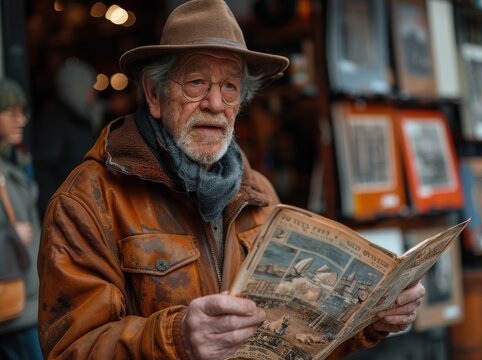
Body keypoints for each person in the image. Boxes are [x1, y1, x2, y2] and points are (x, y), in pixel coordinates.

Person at [37, 1, 425, 359]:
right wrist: (177, 339)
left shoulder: (257, 194)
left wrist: (371, 320)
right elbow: (71, 349)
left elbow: (299, 339)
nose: (215, 104)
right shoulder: (89, 200)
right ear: (154, 95)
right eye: (196, 83)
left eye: (230, 87)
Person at [0, 78, 43, 360]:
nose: (22, 119)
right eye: (10, 112)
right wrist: (10, 235)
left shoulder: (16, 159)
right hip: (15, 304)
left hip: (29, 296)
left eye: (22, 112)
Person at [32, 58, 106, 217]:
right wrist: (55, 213)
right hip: (68, 211)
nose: (94, 92)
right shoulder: (53, 123)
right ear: (75, 89)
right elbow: (44, 172)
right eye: (89, 87)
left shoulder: (86, 118)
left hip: (86, 206)